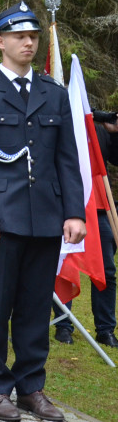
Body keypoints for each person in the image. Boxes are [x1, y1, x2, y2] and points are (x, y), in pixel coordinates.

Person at [0, 1, 84, 422]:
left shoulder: (54, 93)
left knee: (33, 308)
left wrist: (74, 212)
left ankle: (31, 387)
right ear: (0, 42)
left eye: (33, 36)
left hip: (45, 217)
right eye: (20, 36)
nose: (29, 42)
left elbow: (67, 158)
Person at [53, 118, 118, 347]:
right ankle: (63, 325)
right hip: (68, 208)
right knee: (65, 267)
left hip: (100, 208)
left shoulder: (97, 128)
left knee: (106, 270)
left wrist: (116, 132)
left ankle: (106, 329)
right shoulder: (61, 123)